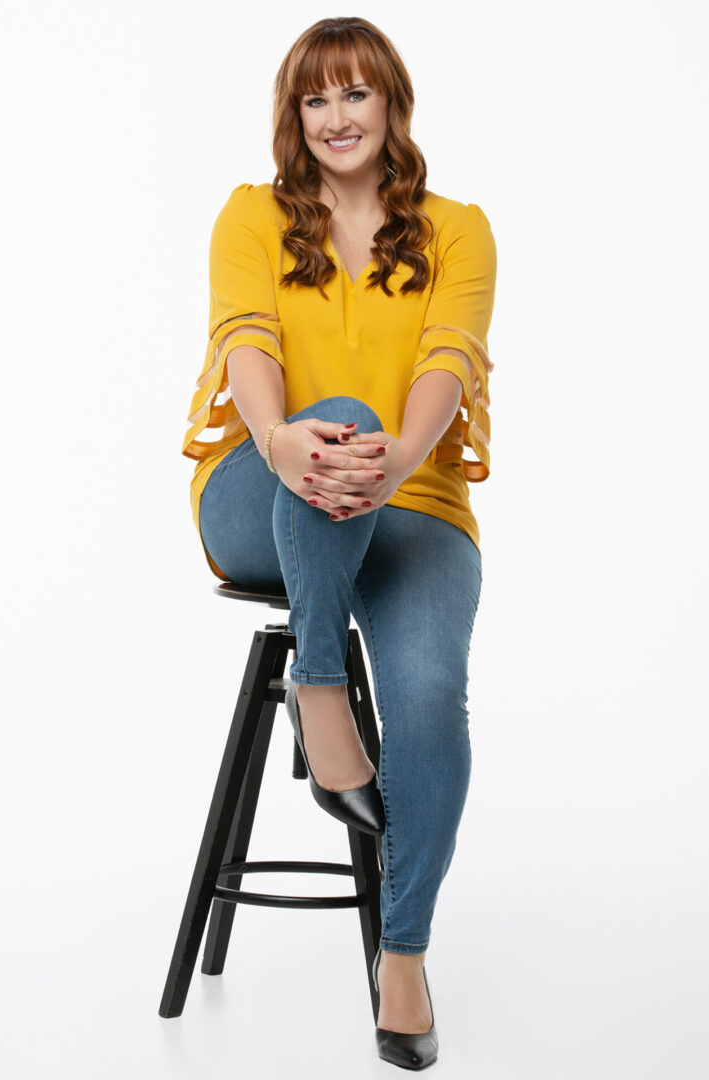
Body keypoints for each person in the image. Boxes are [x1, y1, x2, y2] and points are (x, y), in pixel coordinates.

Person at [181, 15, 496, 1070]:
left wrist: (393, 460)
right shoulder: (250, 216)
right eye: (315, 99)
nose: (335, 117)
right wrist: (281, 442)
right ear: (293, 116)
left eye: (354, 94)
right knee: (341, 413)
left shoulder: (458, 228)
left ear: (391, 104)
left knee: (425, 696)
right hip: (261, 489)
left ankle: (401, 954)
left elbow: (447, 364)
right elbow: (248, 347)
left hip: (411, 503)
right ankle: (319, 691)